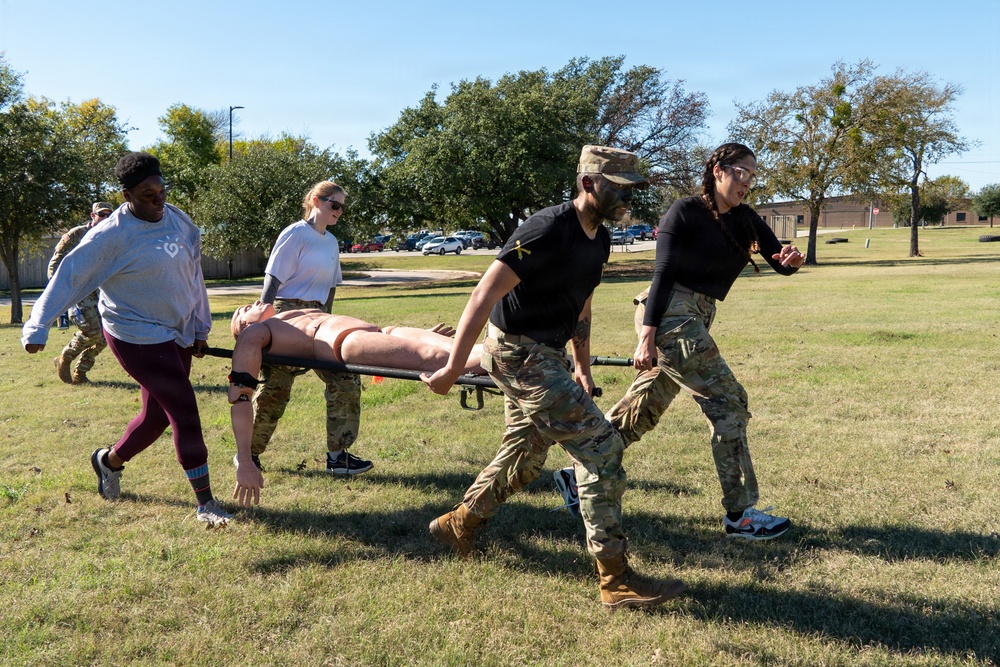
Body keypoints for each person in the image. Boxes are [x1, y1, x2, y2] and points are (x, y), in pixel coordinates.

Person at [421, 145, 686, 612]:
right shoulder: (546, 228)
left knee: (525, 456)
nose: (629, 200)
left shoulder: (600, 238)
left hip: (548, 354)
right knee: (602, 448)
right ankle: (615, 579)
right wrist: (453, 368)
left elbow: (581, 304)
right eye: (619, 190)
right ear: (588, 184)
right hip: (517, 352)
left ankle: (458, 524)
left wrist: (581, 366)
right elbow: (483, 295)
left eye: (633, 191)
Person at [606, 142, 805, 541]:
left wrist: (789, 262)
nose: (747, 182)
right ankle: (740, 515)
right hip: (669, 315)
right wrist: (646, 338)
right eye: (741, 172)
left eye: (752, 174)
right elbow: (661, 273)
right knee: (729, 401)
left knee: (648, 402)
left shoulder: (746, 218)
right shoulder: (685, 211)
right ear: (718, 170)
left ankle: (582, 473)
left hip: (696, 316)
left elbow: (777, 262)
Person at [22, 152, 231, 526]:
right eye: (147, 193)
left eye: (161, 189)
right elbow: (70, 276)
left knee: (155, 418)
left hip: (177, 331)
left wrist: (200, 327)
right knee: (184, 410)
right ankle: (206, 504)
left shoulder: (179, 220)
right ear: (127, 195)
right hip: (136, 334)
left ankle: (108, 461)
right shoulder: (111, 235)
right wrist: (37, 326)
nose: (158, 198)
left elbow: (193, 275)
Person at [227, 302, 484, 506]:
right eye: (243, 312)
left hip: (383, 331)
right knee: (437, 358)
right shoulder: (256, 333)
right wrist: (246, 459)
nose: (252, 304)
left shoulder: (284, 317)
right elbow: (241, 397)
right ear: (244, 328)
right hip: (344, 341)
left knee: (464, 347)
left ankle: (507, 353)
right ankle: (513, 360)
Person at [243, 181, 373, 476]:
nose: (339, 211)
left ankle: (338, 457)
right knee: (277, 387)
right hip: (286, 312)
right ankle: (248, 454)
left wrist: (330, 319)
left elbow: (331, 287)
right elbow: (273, 277)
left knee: (345, 379)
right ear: (317, 201)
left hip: (319, 316)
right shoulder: (295, 233)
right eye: (334, 205)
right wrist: (263, 314)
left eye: (342, 207)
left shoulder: (331, 241)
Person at [48, 201, 113, 384]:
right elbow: (55, 264)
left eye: (109, 215)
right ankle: (66, 357)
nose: (105, 218)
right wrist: (60, 291)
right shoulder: (77, 234)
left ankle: (81, 373)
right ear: (93, 216)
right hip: (78, 293)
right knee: (93, 332)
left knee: (106, 336)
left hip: (101, 293)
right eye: (102, 215)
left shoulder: (111, 237)